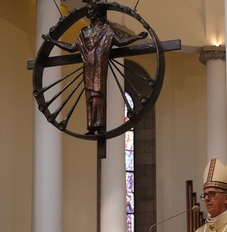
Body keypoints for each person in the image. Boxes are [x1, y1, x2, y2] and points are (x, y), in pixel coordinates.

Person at [42, 1, 148, 134]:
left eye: (91, 10)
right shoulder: (84, 32)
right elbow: (70, 48)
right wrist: (52, 41)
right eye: (88, 10)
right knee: (90, 98)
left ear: (97, 13)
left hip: (99, 68)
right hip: (88, 69)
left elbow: (120, 42)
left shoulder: (106, 30)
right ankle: (92, 127)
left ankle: (100, 126)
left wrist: (137, 37)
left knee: (98, 96)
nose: (89, 12)